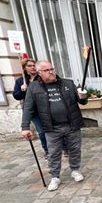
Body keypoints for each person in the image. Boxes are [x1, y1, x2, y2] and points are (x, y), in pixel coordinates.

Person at [21, 61, 88, 191]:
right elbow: (28, 108)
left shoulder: (68, 83)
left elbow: (82, 101)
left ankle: (75, 170)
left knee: (75, 149)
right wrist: (25, 127)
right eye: (46, 70)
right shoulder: (34, 87)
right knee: (53, 153)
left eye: (52, 69)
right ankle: (55, 176)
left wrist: (83, 94)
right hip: (51, 127)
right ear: (39, 73)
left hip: (71, 124)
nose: (51, 72)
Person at [13, 58, 69, 159]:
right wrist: (22, 90)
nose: (32, 67)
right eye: (29, 66)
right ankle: (47, 150)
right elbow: (16, 96)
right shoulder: (21, 81)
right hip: (34, 112)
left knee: (58, 129)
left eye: (34, 65)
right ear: (24, 68)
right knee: (42, 132)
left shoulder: (42, 78)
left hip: (46, 109)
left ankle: (65, 147)